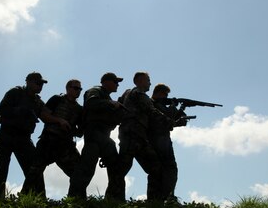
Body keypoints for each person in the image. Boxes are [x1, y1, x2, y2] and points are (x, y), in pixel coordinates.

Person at [0, 72, 69, 201]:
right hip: (7, 135)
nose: (40, 86)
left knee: (34, 169)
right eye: (38, 83)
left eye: (42, 84)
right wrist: (20, 110)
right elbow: (1, 110)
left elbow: (45, 116)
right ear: (28, 82)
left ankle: (38, 199)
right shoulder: (15, 92)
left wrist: (59, 120)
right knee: (1, 169)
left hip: (24, 139)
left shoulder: (38, 102)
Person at [111, 72, 171, 201]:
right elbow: (152, 111)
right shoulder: (139, 94)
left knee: (123, 169)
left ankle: (114, 200)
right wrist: (169, 121)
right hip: (135, 136)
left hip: (132, 135)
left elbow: (118, 106)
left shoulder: (127, 93)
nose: (150, 83)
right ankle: (153, 202)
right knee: (151, 168)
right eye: (148, 80)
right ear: (139, 81)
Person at [21, 79, 84, 197]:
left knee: (78, 173)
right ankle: (25, 200)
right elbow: (43, 115)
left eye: (80, 89)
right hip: (48, 141)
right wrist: (59, 120)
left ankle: (77, 202)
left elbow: (80, 132)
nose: (78, 91)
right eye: (76, 88)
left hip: (65, 146)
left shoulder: (79, 109)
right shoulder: (57, 99)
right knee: (34, 173)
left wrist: (73, 129)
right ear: (68, 88)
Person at [68, 72, 125, 200]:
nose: (117, 85)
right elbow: (91, 104)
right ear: (107, 82)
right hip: (94, 136)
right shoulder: (95, 91)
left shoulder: (107, 97)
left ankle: (115, 200)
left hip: (103, 137)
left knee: (116, 170)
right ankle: (74, 200)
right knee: (86, 170)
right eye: (115, 82)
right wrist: (111, 104)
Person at [149, 83, 187, 201]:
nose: (166, 97)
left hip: (162, 140)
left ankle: (158, 200)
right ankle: (165, 198)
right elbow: (165, 118)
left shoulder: (159, 105)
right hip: (158, 140)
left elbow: (178, 120)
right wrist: (172, 106)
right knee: (168, 169)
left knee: (160, 171)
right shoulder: (152, 104)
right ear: (159, 93)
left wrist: (181, 109)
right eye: (165, 94)